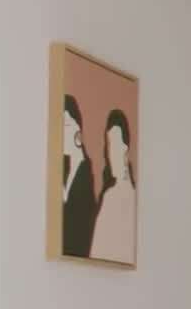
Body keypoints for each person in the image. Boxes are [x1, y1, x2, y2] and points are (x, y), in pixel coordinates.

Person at [91, 108, 136, 265]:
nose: (111, 152)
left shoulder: (128, 198)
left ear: (126, 148)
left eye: (116, 144)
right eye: (110, 144)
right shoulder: (109, 195)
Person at [58, 95, 99, 257]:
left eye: (66, 125)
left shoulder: (85, 172)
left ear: (77, 128)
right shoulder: (63, 170)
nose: (62, 134)